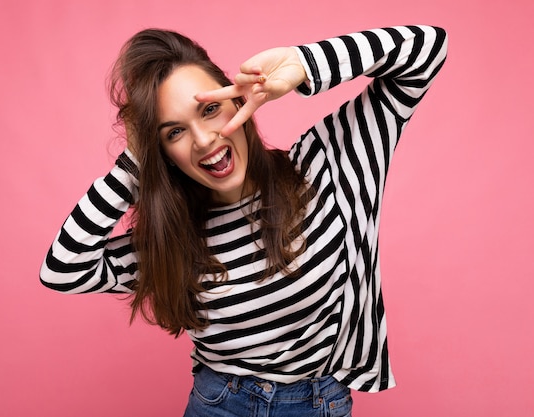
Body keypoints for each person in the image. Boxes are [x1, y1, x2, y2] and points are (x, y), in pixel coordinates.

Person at [40, 24, 448, 416]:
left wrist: (302, 64)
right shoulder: (173, 233)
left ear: (240, 99)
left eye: (210, 109)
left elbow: (427, 48)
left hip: (318, 401)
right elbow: (63, 270)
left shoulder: (328, 167)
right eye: (173, 133)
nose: (203, 140)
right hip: (219, 405)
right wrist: (134, 161)